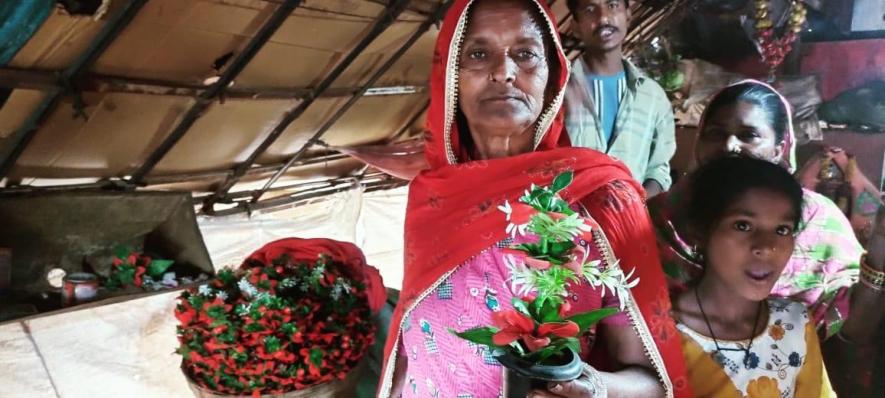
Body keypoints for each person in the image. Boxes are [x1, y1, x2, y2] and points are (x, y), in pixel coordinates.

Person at [377, 1, 692, 397]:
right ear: (450, 77)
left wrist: (592, 387)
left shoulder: (602, 199)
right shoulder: (432, 198)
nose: (504, 72)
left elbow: (654, 383)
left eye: (525, 54)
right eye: (478, 54)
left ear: (553, 76)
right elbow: (411, 350)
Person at [648, 80, 884, 346]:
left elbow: (853, 330)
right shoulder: (661, 217)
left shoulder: (818, 220)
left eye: (748, 135)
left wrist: (878, 252)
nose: (729, 146)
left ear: (779, 147)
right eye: (716, 133)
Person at [672, 156, 835, 397]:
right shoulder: (661, 334)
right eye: (743, 225)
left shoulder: (794, 324)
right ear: (700, 231)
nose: (767, 247)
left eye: (782, 230)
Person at [563, 0, 676, 197]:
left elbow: (658, 170)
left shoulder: (653, 97)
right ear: (575, 26)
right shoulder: (558, 91)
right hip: (562, 223)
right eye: (590, 10)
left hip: (629, 225)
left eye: (613, 5)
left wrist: (635, 203)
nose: (604, 17)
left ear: (628, 15)